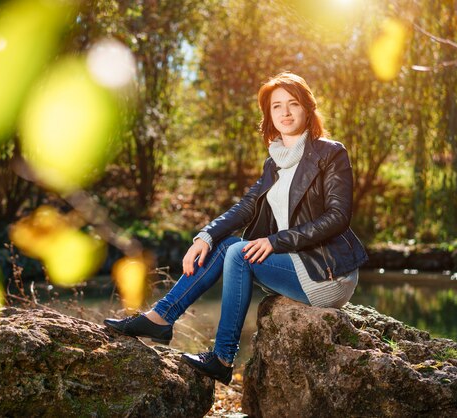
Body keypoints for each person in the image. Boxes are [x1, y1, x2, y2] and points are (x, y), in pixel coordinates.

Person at [104, 72, 368, 385]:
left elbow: (338, 216)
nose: (284, 112)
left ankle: (222, 357)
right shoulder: (275, 163)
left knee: (239, 254)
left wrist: (275, 241)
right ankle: (161, 318)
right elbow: (244, 208)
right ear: (268, 115)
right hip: (295, 262)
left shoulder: (330, 154)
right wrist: (204, 236)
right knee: (227, 245)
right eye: (276, 106)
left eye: (293, 104)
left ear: (307, 109)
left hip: (326, 272)